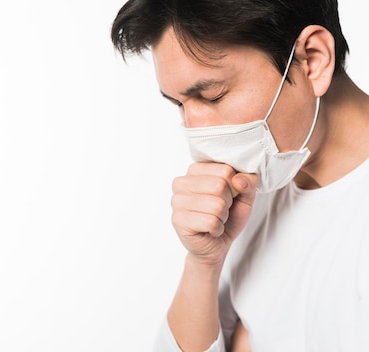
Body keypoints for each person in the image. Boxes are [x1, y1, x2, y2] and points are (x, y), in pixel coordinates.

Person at [111, 0, 369, 351]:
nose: (194, 128)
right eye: (179, 105)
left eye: (212, 95)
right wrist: (204, 262)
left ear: (312, 60)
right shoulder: (255, 188)